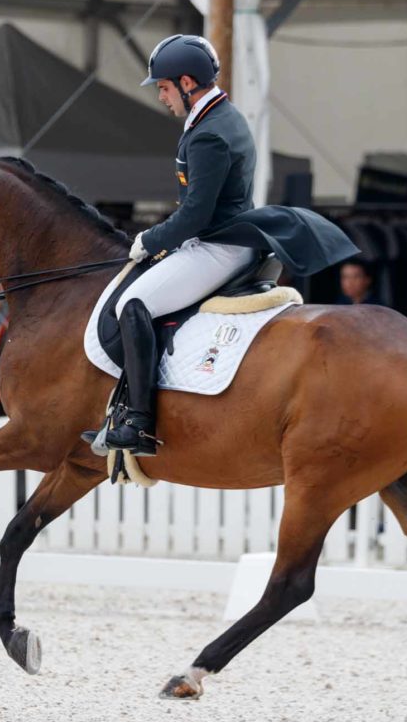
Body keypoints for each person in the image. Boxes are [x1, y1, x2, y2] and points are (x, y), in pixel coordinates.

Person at [86, 34, 357, 456]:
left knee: (132, 304)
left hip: (218, 245)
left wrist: (151, 239)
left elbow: (195, 214)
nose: (161, 96)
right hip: (224, 238)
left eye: (163, 86)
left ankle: (138, 422)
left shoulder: (208, 134)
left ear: (187, 82)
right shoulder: (220, 116)